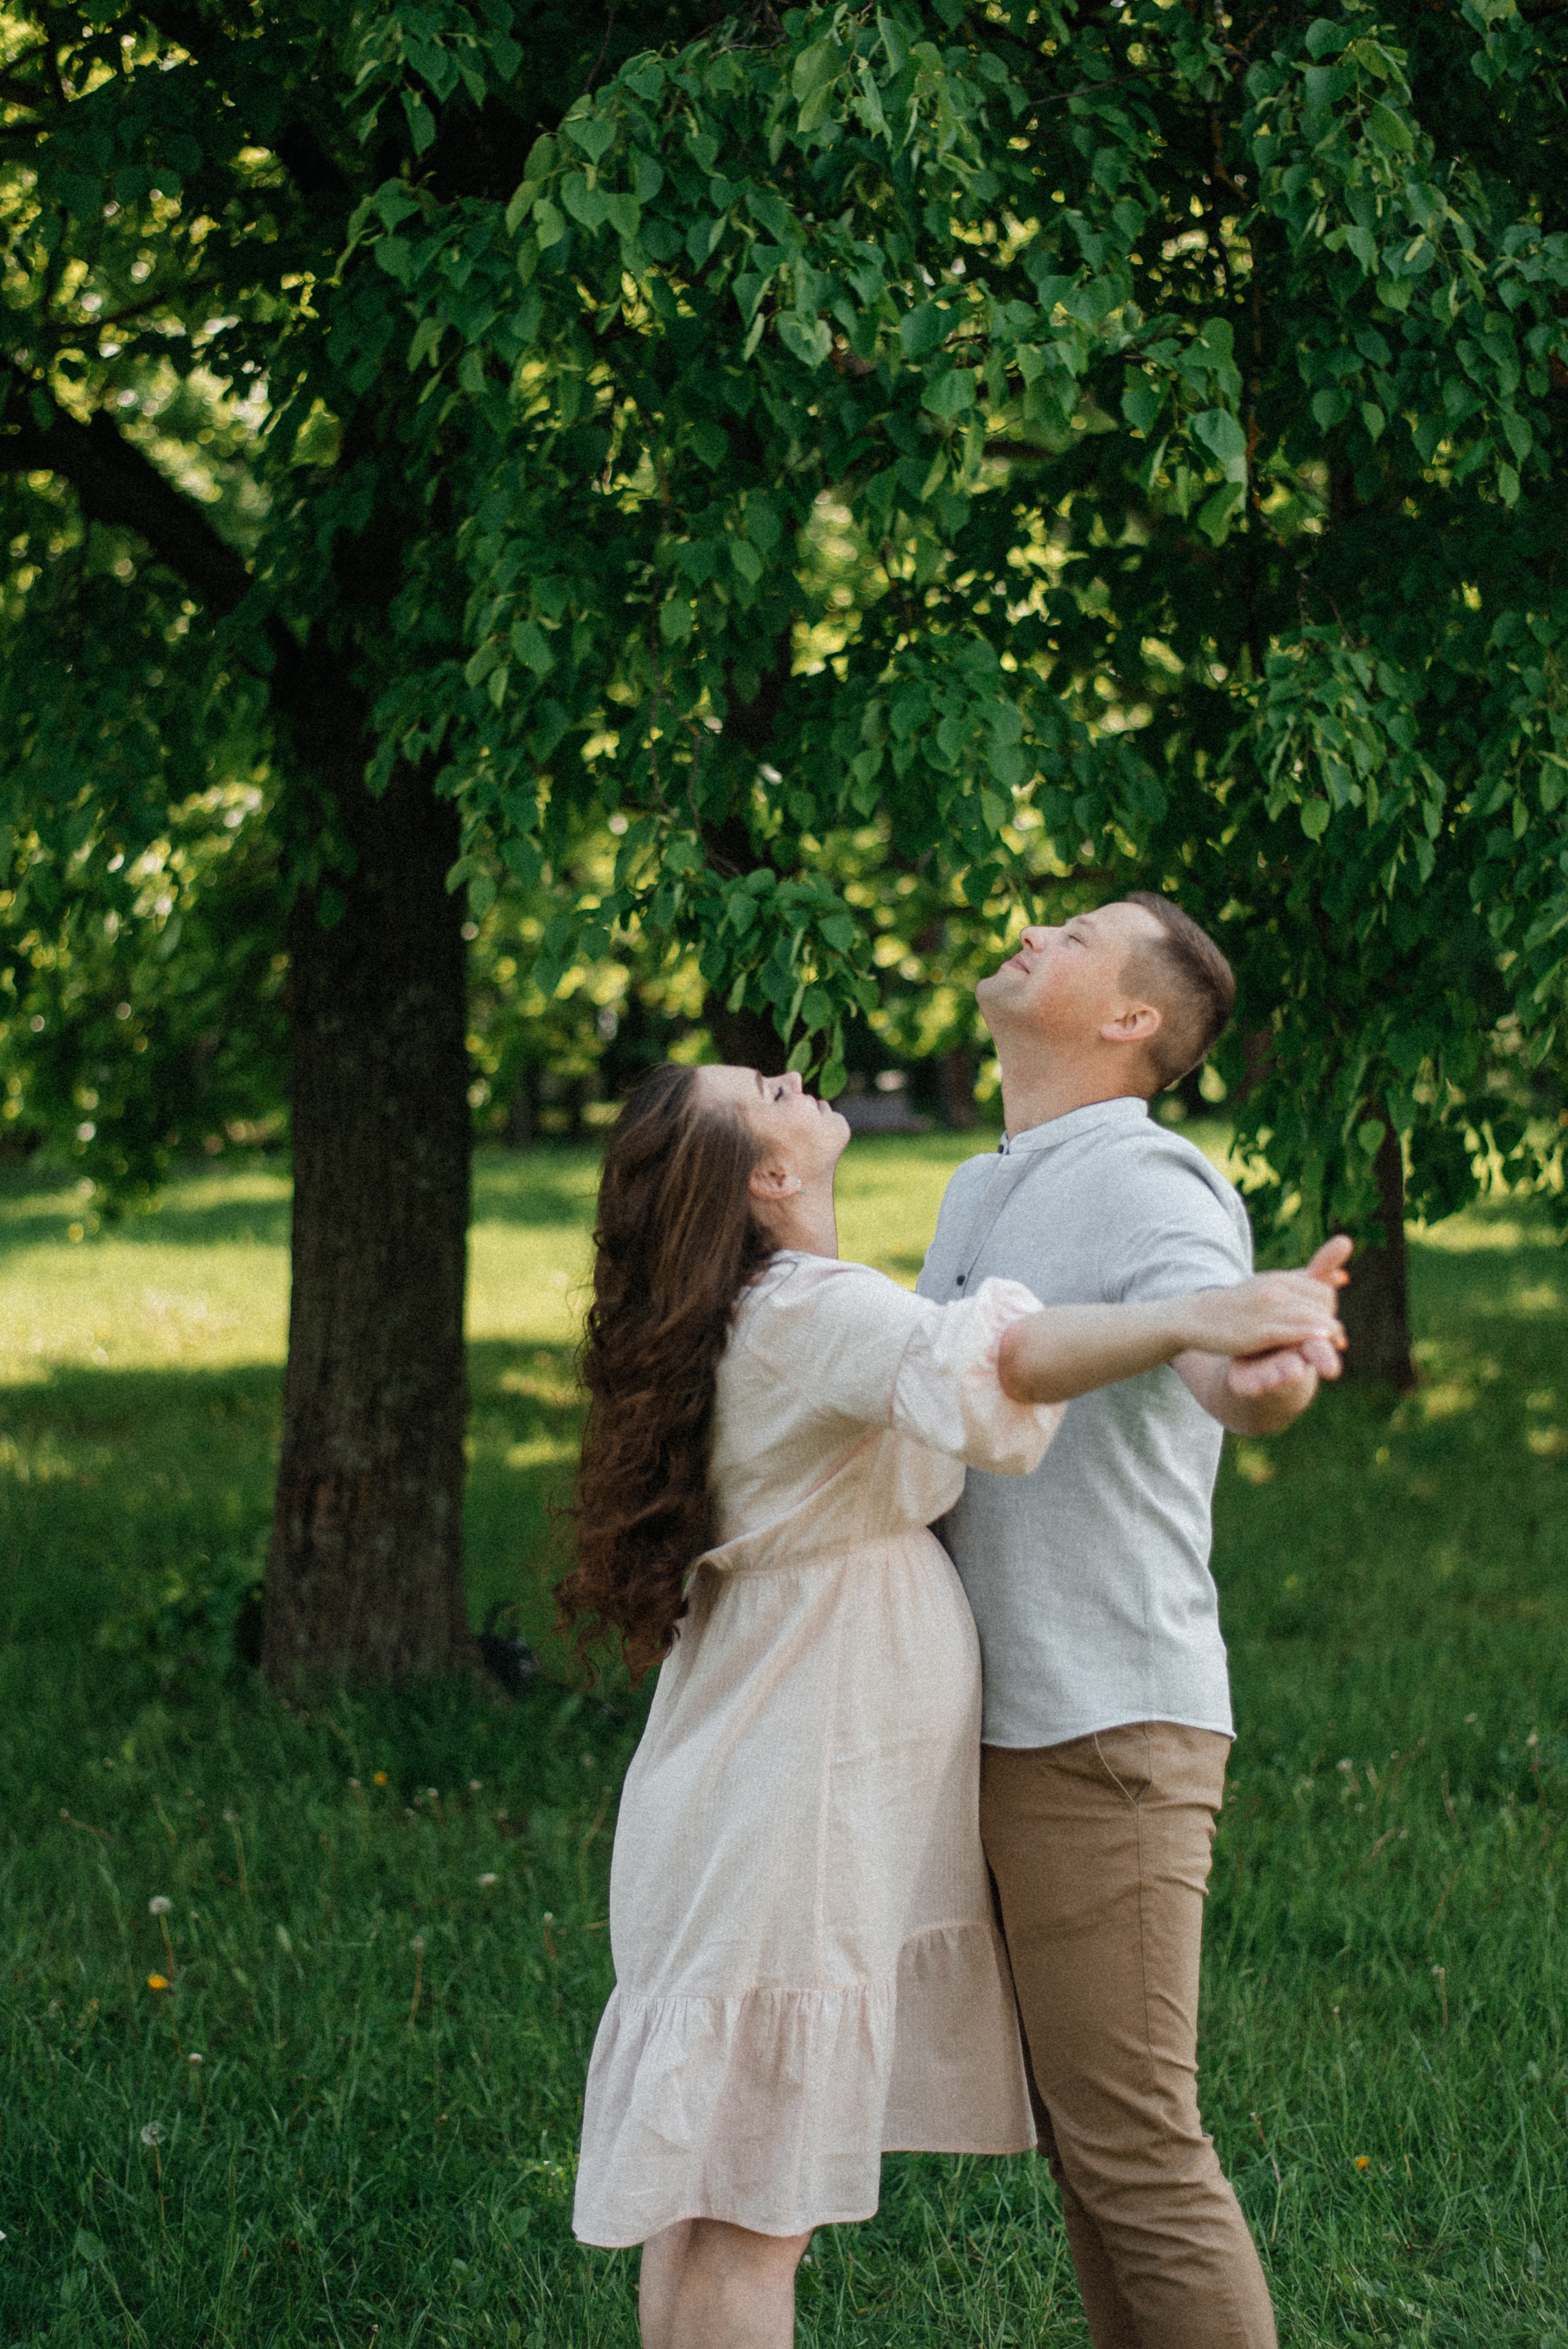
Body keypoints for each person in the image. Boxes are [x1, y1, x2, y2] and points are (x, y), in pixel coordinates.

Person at [560, 1055, 1346, 2349]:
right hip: (791, 1780)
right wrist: (1196, 1315)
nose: (794, 1070)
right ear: (764, 1176)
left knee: (704, 2207)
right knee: (748, 2216)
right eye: (764, 1086)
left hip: (743, 1755)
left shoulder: (752, 1307)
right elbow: (1009, 1356)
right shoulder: (808, 1309)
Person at [917, 892, 1350, 2349]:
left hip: (1104, 1721)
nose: (1032, 928)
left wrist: (1273, 1369)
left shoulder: (1153, 1180)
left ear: (1130, 1020)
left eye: (1079, 932)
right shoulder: (984, 1191)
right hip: (1012, 1718)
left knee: (1138, 2155)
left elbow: (1223, 1360)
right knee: (1092, 2158)